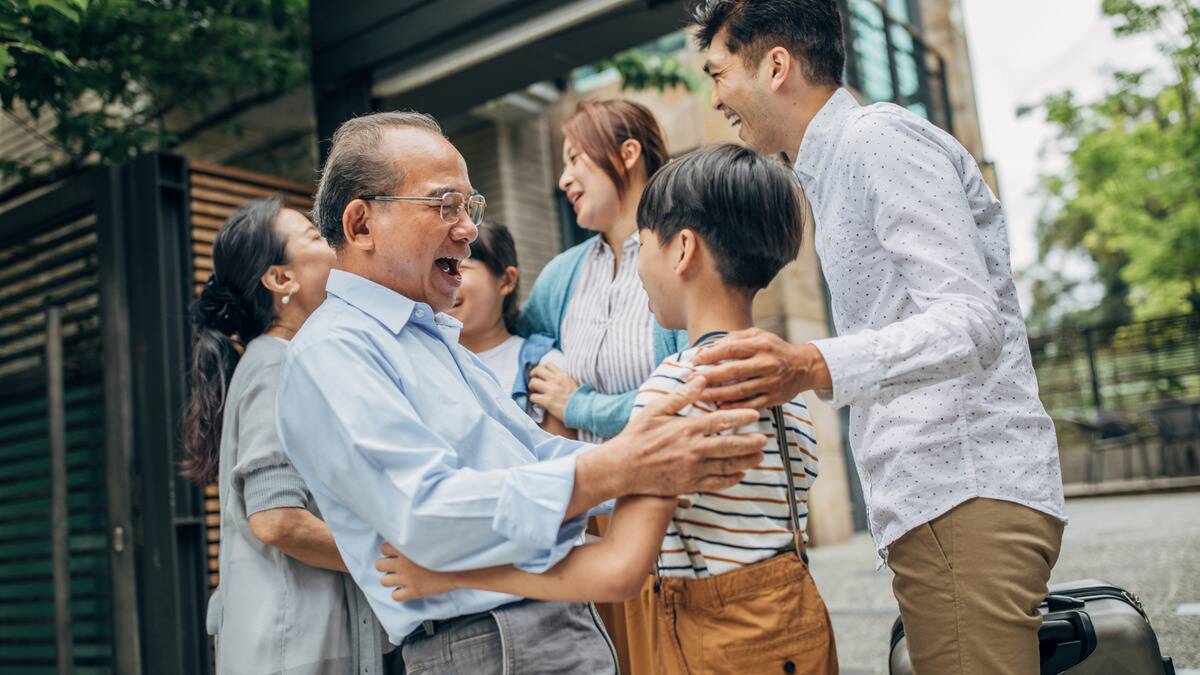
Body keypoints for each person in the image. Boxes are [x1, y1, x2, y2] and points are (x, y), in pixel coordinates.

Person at [273, 111, 769, 674]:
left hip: (542, 624)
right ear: (361, 224)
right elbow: (428, 516)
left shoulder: (434, 341)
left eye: (470, 207)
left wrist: (660, 455)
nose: (466, 228)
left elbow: (536, 454)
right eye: (444, 205)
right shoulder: (332, 353)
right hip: (487, 642)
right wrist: (628, 466)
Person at [684, 2, 1068, 673]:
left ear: (775, 66)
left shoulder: (875, 140)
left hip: (963, 495)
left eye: (718, 74)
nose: (715, 98)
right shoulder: (832, 168)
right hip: (946, 507)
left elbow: (970, 320)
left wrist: (809, 362)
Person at [376, 143, 838, 675]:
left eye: (643, 244)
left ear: (682, 250)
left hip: (715, 644)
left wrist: (451, 574)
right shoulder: (787, 384)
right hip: (797, 631)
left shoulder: (676, 388)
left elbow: (619, 570)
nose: (637, 265)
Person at [182, 196, 387, 675]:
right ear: (280, 279)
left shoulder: (286, 361)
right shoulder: (275, 365)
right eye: (317, 237)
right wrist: (390, 561)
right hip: (293, 651)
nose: (335, 244)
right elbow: (275, 519)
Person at [517, 99, 688, 444]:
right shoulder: (559, 276)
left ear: (627, 154)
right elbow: (517, 348)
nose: (564, 179)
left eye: (574, 159)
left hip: (673, 490)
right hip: (588, 493)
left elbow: (689, 392)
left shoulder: (684, 256)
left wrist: (580, 406)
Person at [446, 222, 571, 436]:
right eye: (441, 266)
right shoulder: (421, 357)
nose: (445, 280)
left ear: (506, 280)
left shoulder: (541, 368)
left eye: (459, 266)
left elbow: (564, 463)